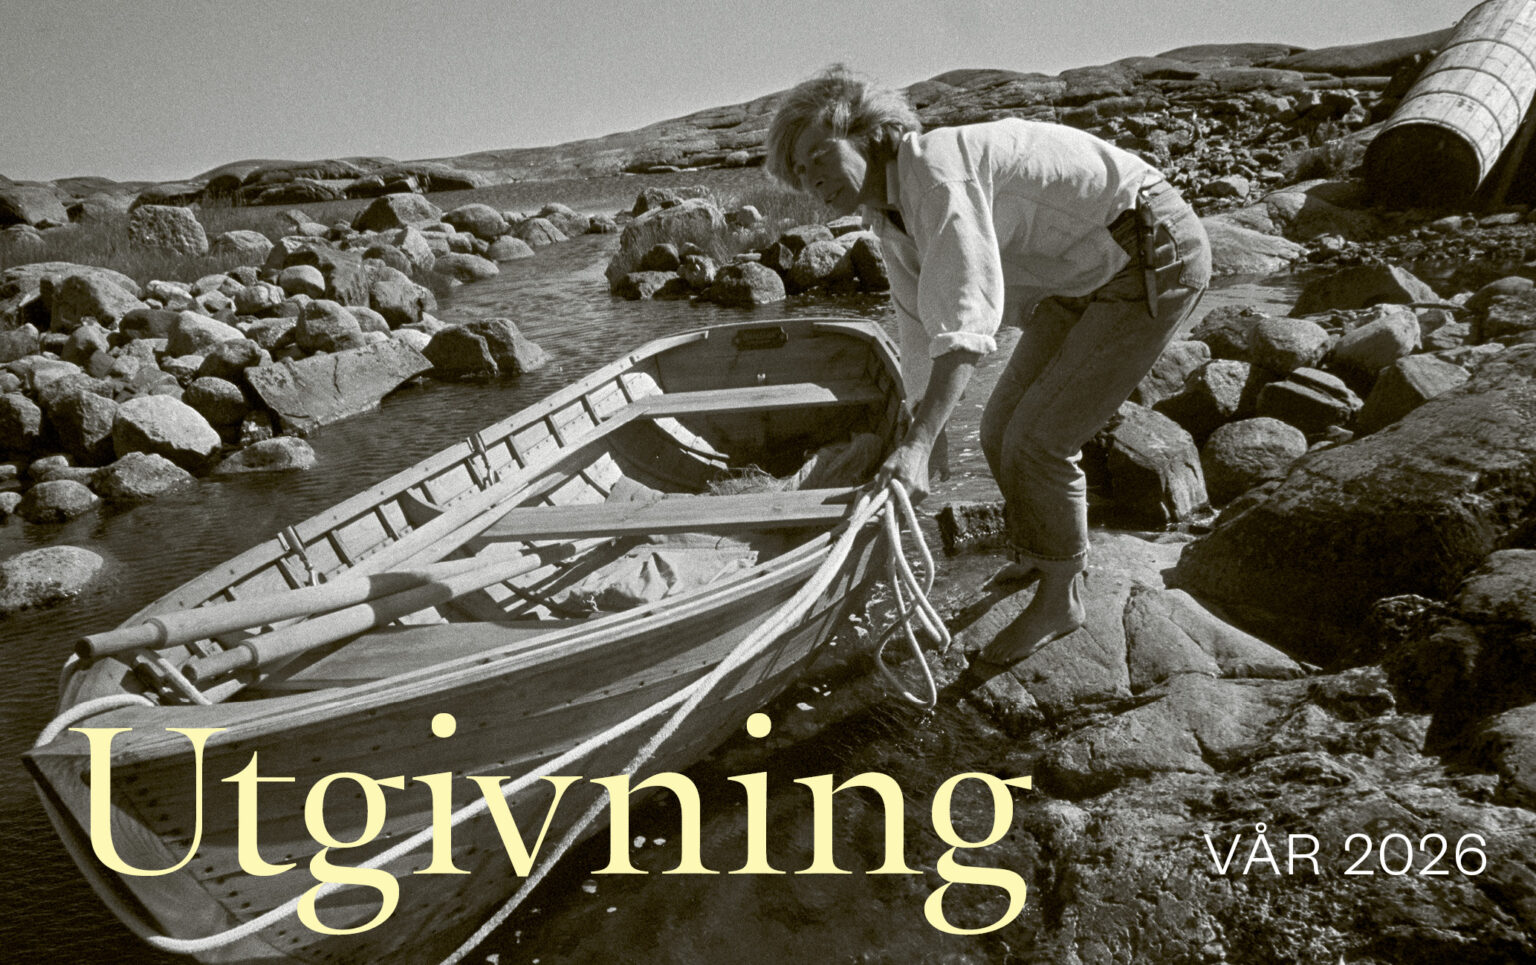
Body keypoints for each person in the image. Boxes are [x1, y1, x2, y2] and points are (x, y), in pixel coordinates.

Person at [766, 66, 1211, 677]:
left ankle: (1062, 601)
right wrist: (935, 431)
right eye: (799, 172)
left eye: (819, 154)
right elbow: (918, 322)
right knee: (997, 428)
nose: (812, 177)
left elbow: (968, 313)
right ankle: (1042, 552)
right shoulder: (888, 214)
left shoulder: (934, 170)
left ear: (869, 133)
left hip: (1147, 247)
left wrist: (918, 444)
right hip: (1080, 272)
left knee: (1040, 441)